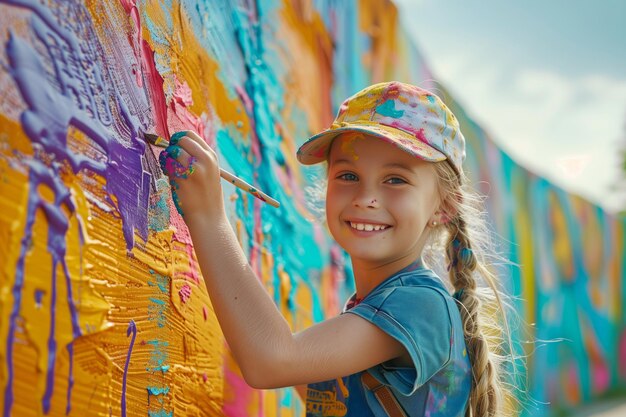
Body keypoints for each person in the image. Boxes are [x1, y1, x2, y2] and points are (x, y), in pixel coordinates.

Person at [159, 81, 512, 416]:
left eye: (396, 180)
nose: (366, 198)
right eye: (348, 175)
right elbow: (313, 388)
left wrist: (207, 215)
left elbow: (271, 362)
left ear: (443, 207)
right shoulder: (372, 308)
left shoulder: (420, 305)